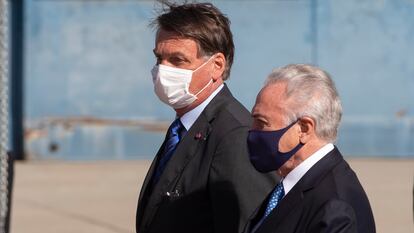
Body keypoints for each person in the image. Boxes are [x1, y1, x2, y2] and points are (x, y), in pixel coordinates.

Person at [135, 2, 276, 233]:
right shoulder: (183, 128)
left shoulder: (236, 137)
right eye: (159, 58)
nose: (163, 69)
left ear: (216, 66)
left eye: (178, 60)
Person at [243, 64, 376, 233]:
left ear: (304, 129)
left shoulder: (335, 207)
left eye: (261, 122)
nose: (251, 130)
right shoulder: (291, 184)